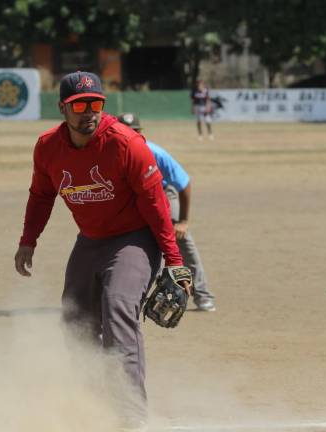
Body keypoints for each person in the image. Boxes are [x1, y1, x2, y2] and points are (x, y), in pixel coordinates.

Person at [13, 71, 191, 431]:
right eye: (80, 105)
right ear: (63, 109)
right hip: (90, 239)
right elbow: (41, 195)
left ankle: (131, 415)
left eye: (96, 103)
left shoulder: (125, 144)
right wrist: (28, 240)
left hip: (134, 239)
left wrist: (174, 260)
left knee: (118, 307)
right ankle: (91, 402)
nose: (89, 111)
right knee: (74, 320)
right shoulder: (48, 147)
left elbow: (156, 203)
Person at [117, 113, 216, 312]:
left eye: (133, 131)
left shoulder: (154, 152)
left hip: (163, 189)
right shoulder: (110, 152)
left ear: (140, 132)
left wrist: (184, 221)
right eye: (125, 131)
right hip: (134, 194)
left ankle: (202, 295)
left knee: (180, 237)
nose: (129, 135)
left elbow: (184, 184)